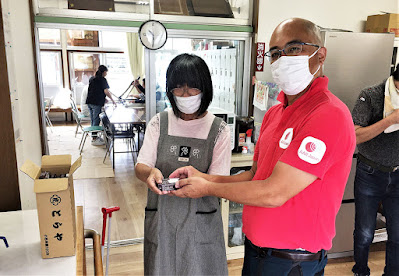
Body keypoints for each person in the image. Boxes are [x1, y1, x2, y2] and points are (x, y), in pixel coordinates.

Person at [169, 18, 356, 276]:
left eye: (293, 49)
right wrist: (204, 177)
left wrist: (208, 188)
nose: (283, 59)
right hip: (257, 251)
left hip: (293, 260)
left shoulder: (328, 115)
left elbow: (274, 193)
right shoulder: (275, 113)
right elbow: (255, 176)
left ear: (320, 54)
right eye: (276, 53)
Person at [135, 53, 231, 275]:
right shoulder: (159, 122)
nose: (185, 95)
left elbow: (220, 182)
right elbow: (141, 166)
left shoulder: (219, 130)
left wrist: (198, 179)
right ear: (170, 90)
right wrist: (150, 173)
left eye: (192, 88)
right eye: (178, 88)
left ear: (205, 89)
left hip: (201, 220)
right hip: (162, 218)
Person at [351, 64, 399, 276]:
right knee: (364, 233)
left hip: (398, 175)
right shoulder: (371, 95)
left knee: (397, 235)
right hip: (370, 173)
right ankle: (360, 271)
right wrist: (390, 120)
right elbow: (355, 135)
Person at [86, 65, 116, 146]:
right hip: (96, 103)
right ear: (104, 72)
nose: (106, 73)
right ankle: (94, 139)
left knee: (93, 120)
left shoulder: (92, 78)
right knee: (96, 120)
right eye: (106, 72)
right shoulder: (103, 80)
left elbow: (95, 90)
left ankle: (93, 136)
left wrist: (104, 99)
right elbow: (106, 91)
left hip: (89, 101)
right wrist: (113, 100)